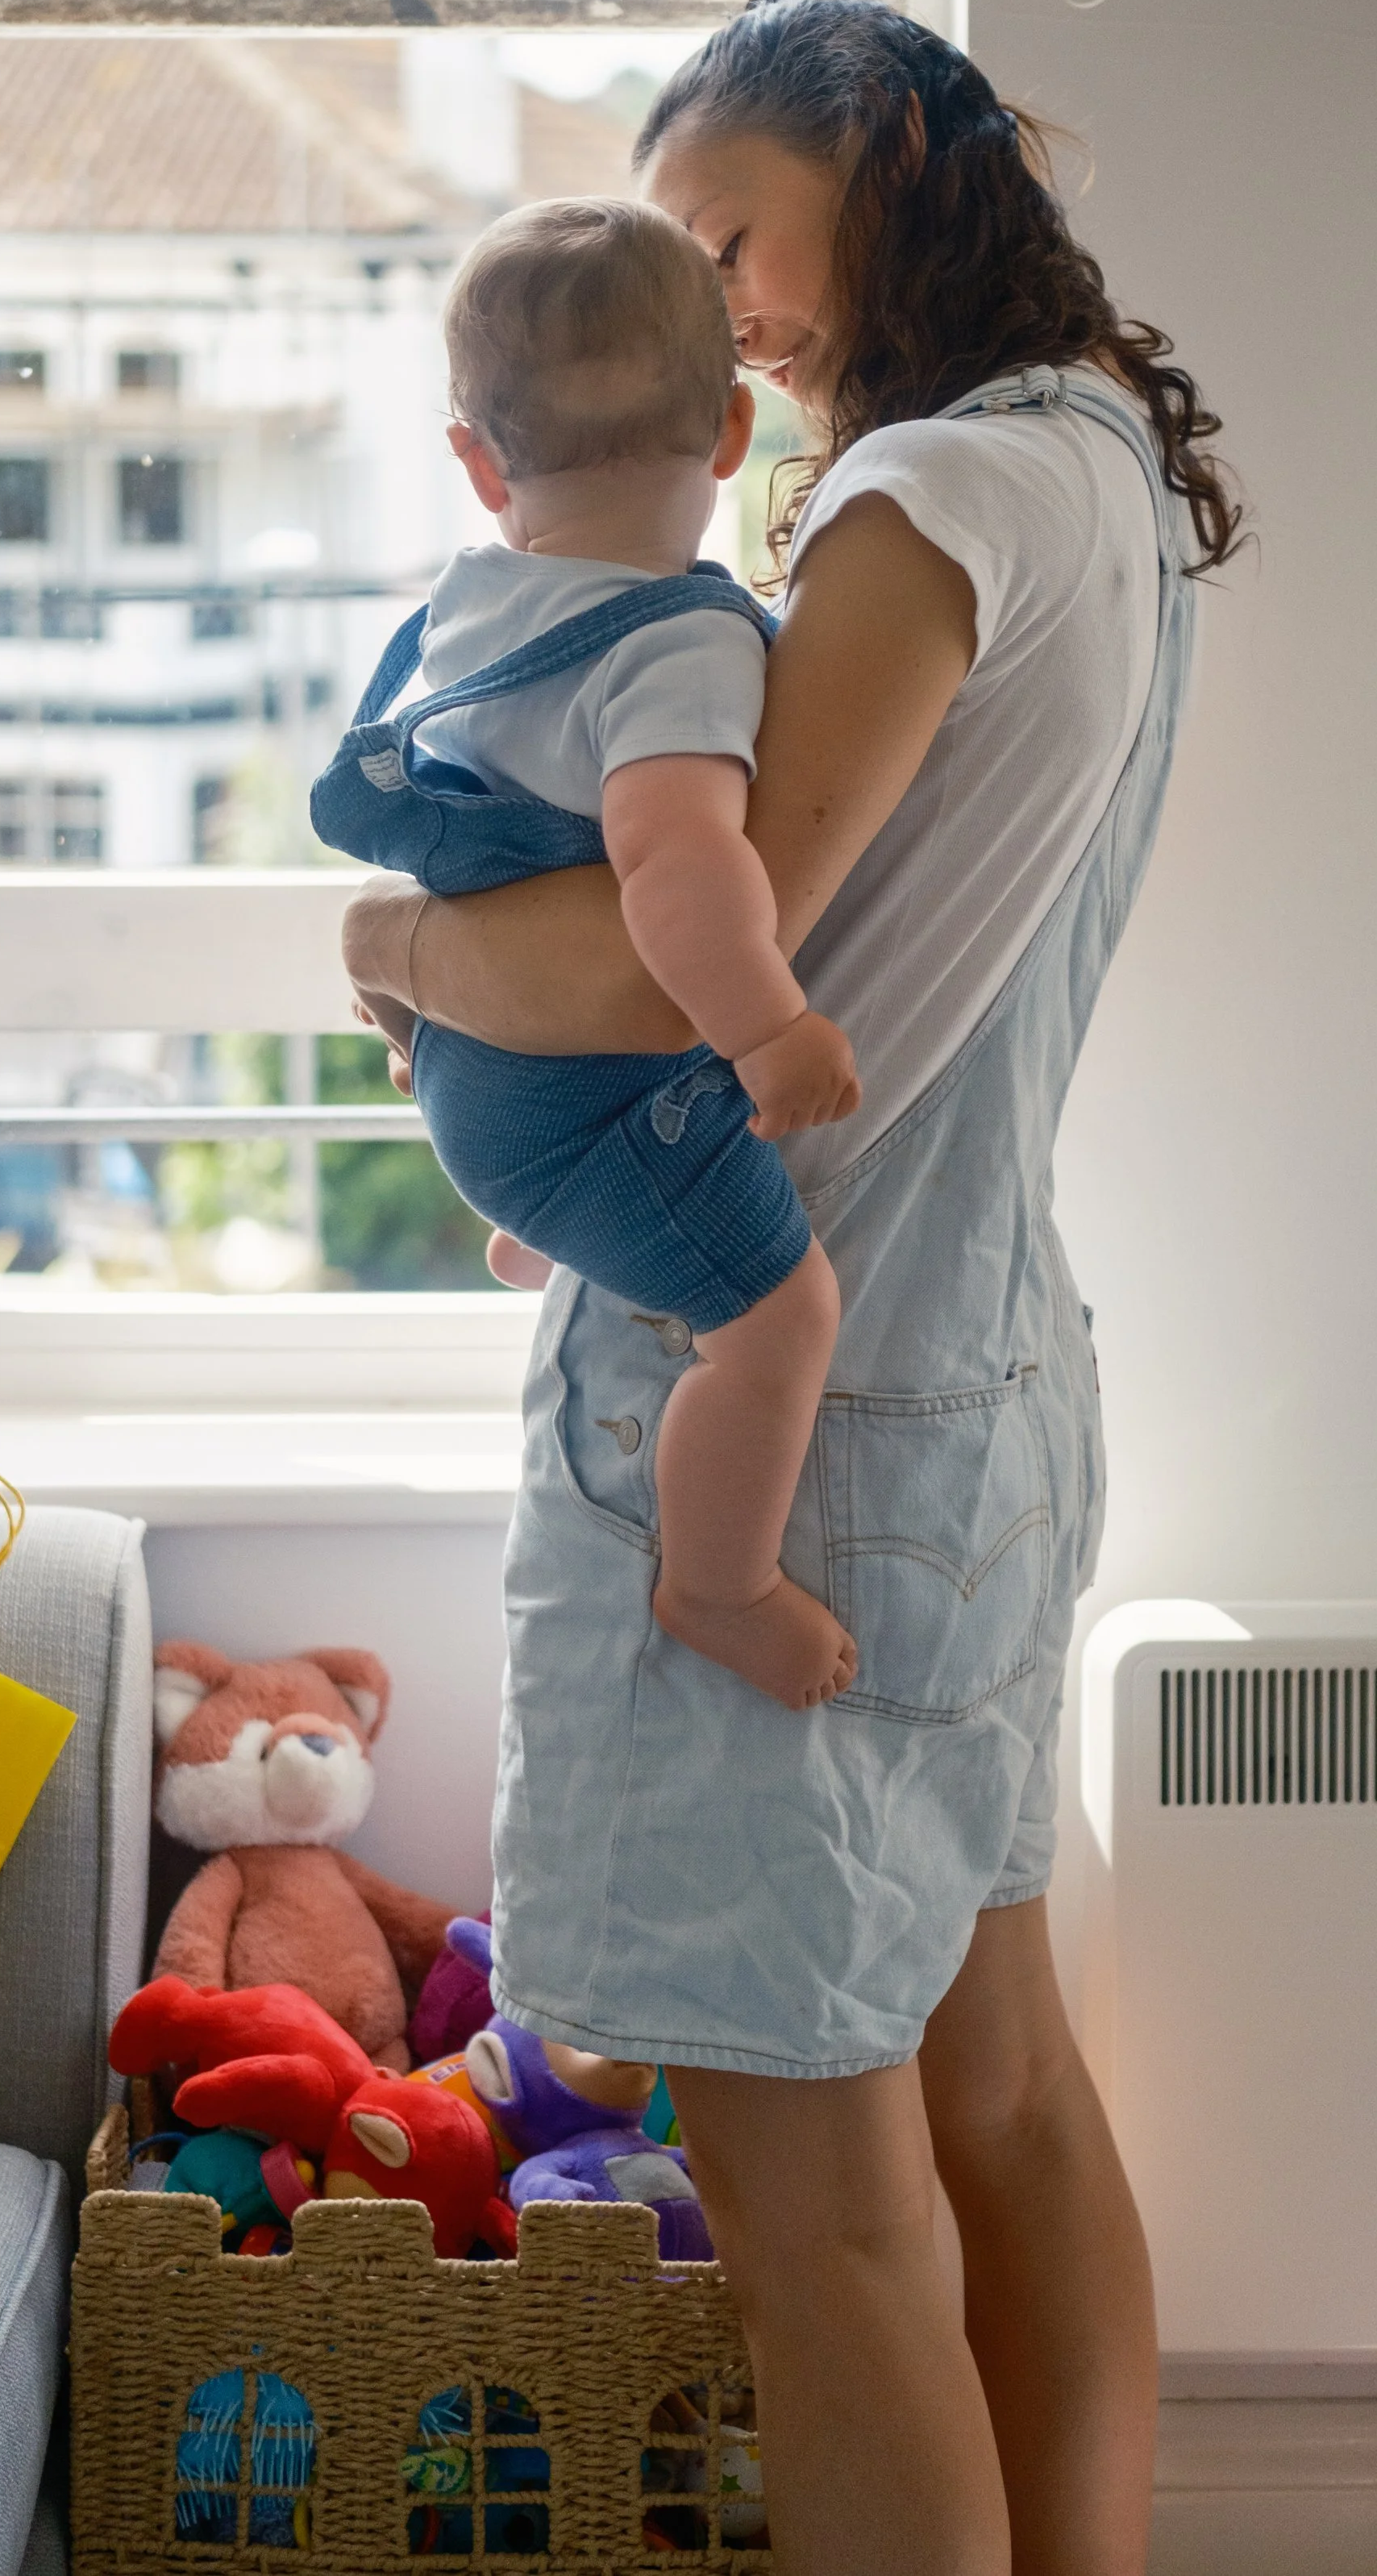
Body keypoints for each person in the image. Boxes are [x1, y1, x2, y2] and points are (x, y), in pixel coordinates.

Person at [344, 0, 1244, 2576]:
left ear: (882, 148)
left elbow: (671, 965)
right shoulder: (1103, 482)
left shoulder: (923, 502)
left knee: (831, 2231)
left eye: (725, 220)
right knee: (999, 2107)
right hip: (969, 1389)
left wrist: (400, 949)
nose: (706, 285)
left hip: (801, 1436)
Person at [312, 198, 862, 1710]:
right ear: (737, 428)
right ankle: (720, 1582)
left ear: (479, 465)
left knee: (648, 1224)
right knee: (779, 1322)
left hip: (468, 1076)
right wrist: (767, 1031)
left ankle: (536, 1229)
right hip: (574, 1107)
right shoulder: (680, 643)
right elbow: (676, 880)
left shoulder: (477, 601)